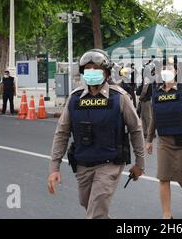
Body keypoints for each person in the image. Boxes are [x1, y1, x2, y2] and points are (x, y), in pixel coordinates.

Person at [47, 49, 145, 219]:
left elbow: (135, 129)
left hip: (110, 163)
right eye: (88, 68)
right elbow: (62, 133)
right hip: (83, 164)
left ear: (106, 73)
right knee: (89, 205)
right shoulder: (75, 98)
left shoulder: (119, 98)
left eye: (96, 68)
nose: (91, 72)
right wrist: (54, 168)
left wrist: (140, 163)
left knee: (94, 214)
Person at [145, 56, 182, 219]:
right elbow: (154, 118)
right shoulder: (156, 93)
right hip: (164, 141)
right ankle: (167, 215)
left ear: (176, 71)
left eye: (169, 68)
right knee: (163, 178)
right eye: (163, 68)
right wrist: (149, 140)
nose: (166, 71)